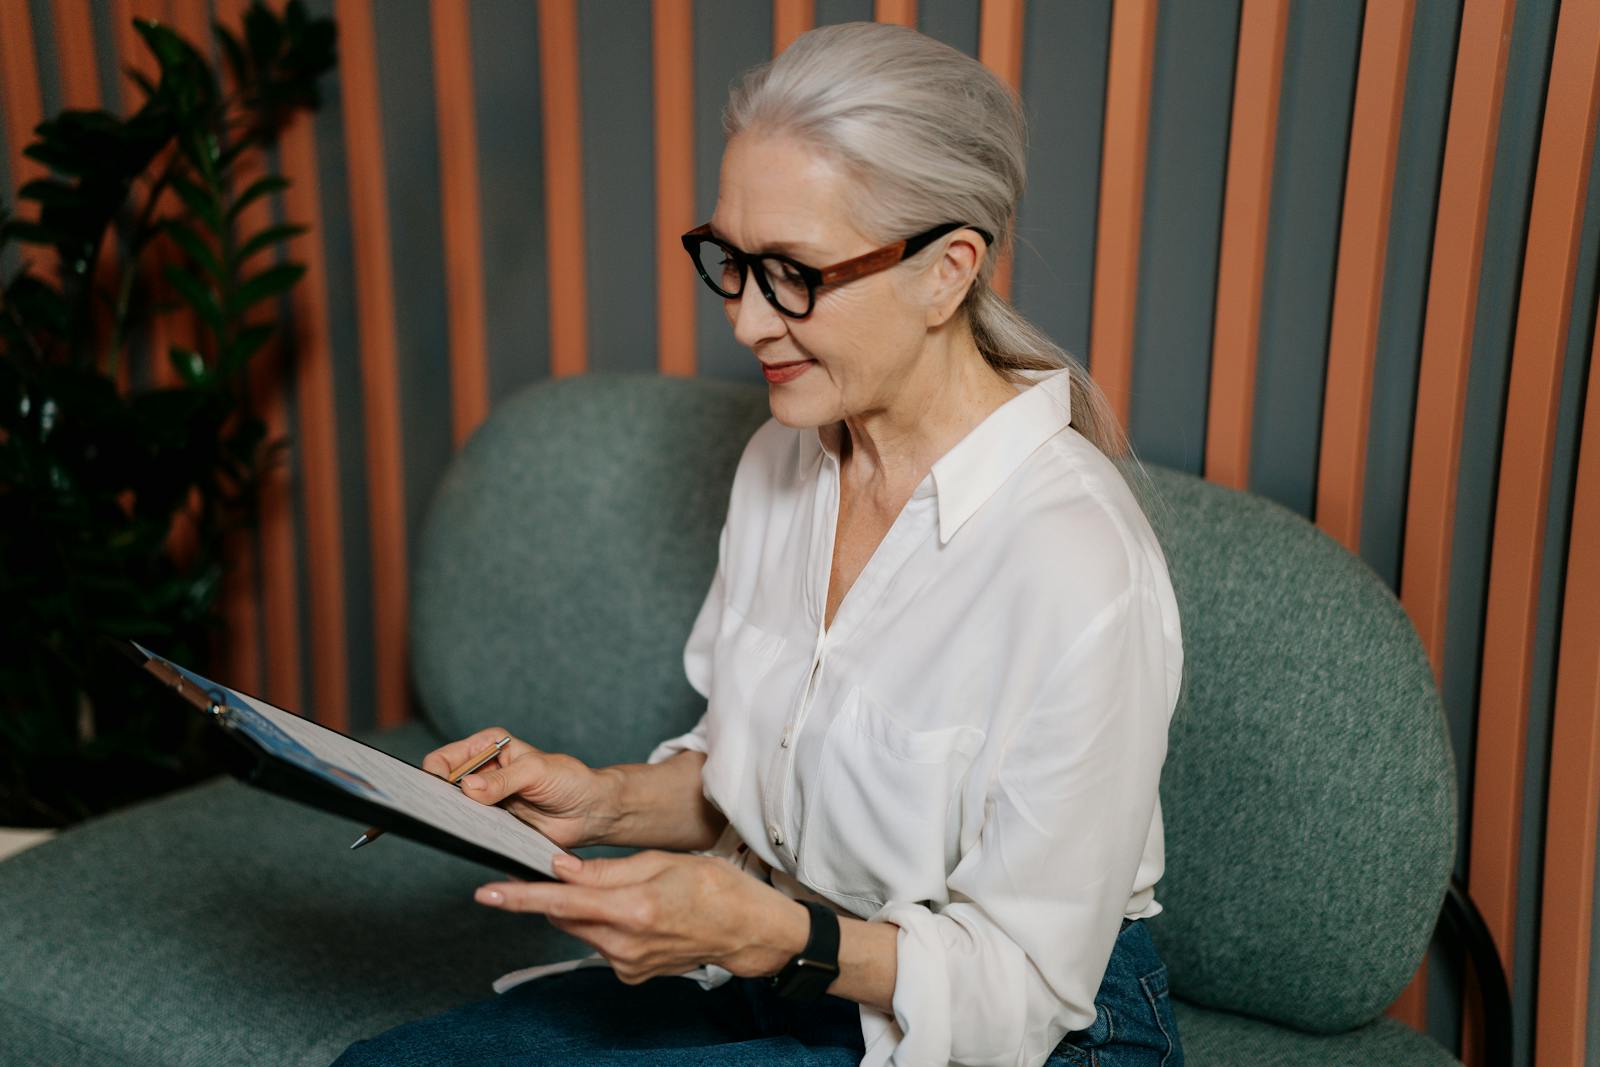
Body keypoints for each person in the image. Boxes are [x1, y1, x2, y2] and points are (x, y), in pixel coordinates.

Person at [335, 21, 1183, 1067]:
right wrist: (598, 798)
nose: (745, 322)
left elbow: (1020, 991)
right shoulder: (784, 461)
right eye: (730, 261)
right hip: (786, 967)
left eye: (792, 273)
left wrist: (770, 933)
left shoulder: (1078, 562)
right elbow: (760, 776)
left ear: (945, 271)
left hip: (1027, 1032)